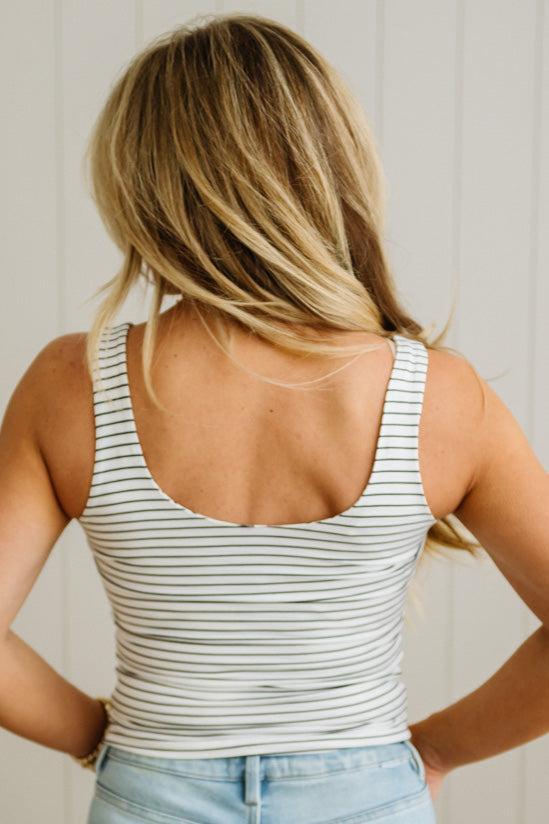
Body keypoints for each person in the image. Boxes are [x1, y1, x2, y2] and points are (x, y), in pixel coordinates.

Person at [1, 11, 548, 824]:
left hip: (150, 791)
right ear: (334, 167)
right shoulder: (435, 396)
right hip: (368, 799)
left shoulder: (71, 385)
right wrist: (436, 750)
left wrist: (99, 735)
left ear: (140, 182)